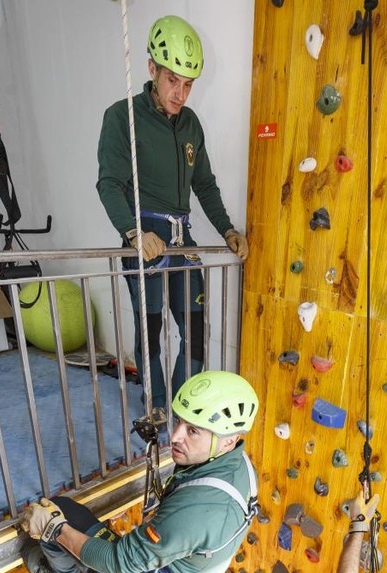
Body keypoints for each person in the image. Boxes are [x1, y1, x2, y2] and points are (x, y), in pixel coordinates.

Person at [21, 371, 259, 573]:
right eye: (179, 421)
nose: (175, 436)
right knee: (101, 571)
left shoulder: (200, 510)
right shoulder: (236, 464)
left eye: (193, 431)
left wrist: (53, 528)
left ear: (228, 440)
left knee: (68, 517)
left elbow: (118, 562)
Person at [97, 15, 248, 422]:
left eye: (187, 84)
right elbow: (109, 184)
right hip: (145, 239)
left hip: (183, 242)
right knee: (150, 334)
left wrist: (227, 228)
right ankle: (157, 405)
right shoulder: (121, 117)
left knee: (196, 332)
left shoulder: (191, 124)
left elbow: (206, 185)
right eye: (172, 81)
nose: (180, 93)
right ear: (151, 70)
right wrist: (133, 233)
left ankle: (184, 407)